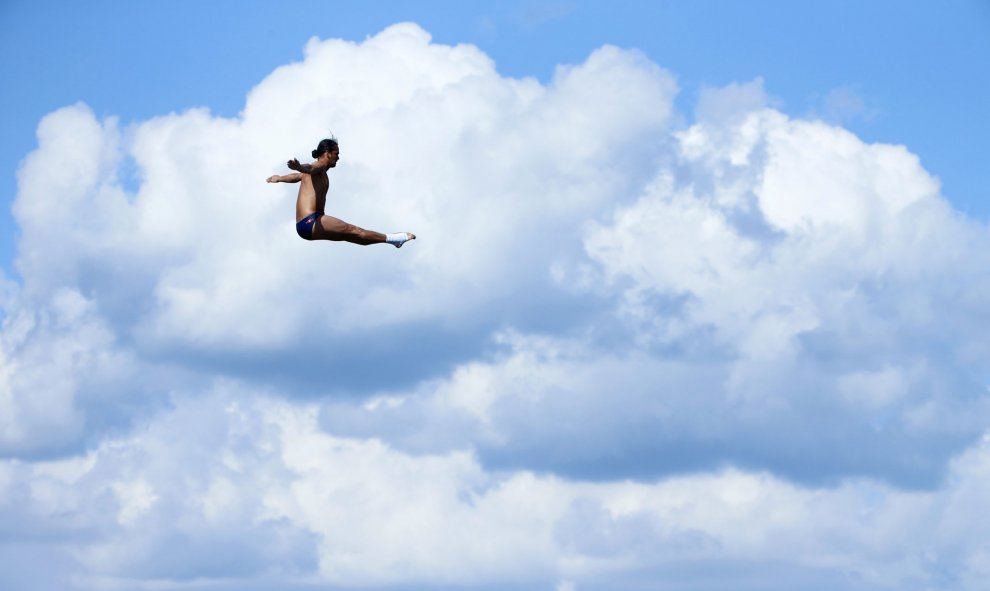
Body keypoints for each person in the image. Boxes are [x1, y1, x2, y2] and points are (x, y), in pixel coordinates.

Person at [266, 138, 416, 248]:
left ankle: (393, 241)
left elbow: (297, 177)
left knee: (353, 236)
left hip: (310, 223)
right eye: (336, 153)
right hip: (310, 221)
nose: (338, 157)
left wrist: (279, 178)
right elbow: (308, 169)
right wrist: (299, 167)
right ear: (327, 153)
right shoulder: (318, 167)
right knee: (352, 230)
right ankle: (394, 238)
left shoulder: (319, 172)